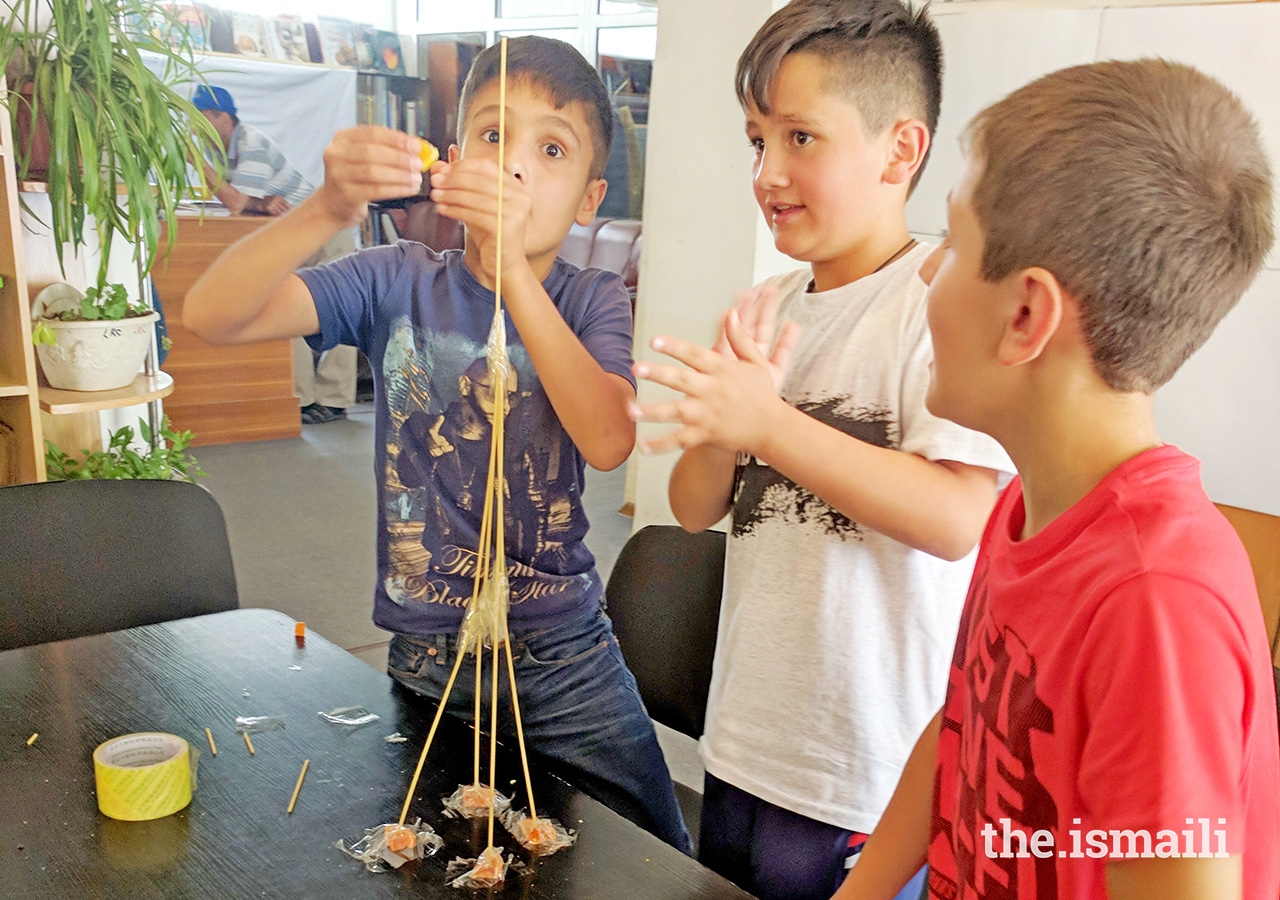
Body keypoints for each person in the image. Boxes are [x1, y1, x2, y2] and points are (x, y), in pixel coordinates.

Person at [183, 37, 693, 854]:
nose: (514, 168)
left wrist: (515, 274)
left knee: (655, 853)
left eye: (550, 149)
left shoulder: (589, 295)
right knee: (440, 852)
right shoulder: (394, 278)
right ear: (452, 163)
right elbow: (212, 315)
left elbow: (606, 439)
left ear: (590, 196)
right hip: (428, 652)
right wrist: (326, 209)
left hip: (564, 653)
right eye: (494, 137)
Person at [831, 59, 1280, 900]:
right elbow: (963, 729)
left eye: (954, 246)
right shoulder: (1029, 505)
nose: (928, 272)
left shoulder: (1156, 602)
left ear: (1027, 316)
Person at [631, 2, 1012, 898]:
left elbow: (959, 519)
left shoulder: (936, 304)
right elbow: (693, 509)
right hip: (746, 742)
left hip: (862, 770)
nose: (767, 172)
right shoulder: (771, 302)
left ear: (900, 150)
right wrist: (721, 428)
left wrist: (768, 423)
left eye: (801, 137)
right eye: (756, 139)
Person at [192, 83, 357, 425]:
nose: (196, 127)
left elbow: (236, 203)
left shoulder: (249, 143)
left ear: (222, 117)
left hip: (325, 235)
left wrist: (199, 164)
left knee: (341, 310)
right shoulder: (224, 152)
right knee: (285, 308)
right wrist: (258, 203)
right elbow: (246, 205)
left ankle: (334, 399)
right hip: (297, 237)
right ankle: (303, 399)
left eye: (202, 118)